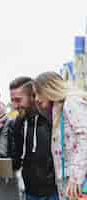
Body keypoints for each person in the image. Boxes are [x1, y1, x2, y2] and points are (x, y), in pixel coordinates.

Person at [33, 71, 87, 200]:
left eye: (38, 93)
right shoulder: (58, 108)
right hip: (70, 181)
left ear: (49, 88)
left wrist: (75, 177)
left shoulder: (71, 101)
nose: (36, 99)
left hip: (78, 180)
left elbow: (85, 137)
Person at [8, 77, 58, 200]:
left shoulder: (51, 119)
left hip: (54, 192)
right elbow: (15, 160)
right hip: (30, 192)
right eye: (12, 100)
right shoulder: (17, 123)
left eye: (19, 100)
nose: (15, 105)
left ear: (33, 96)